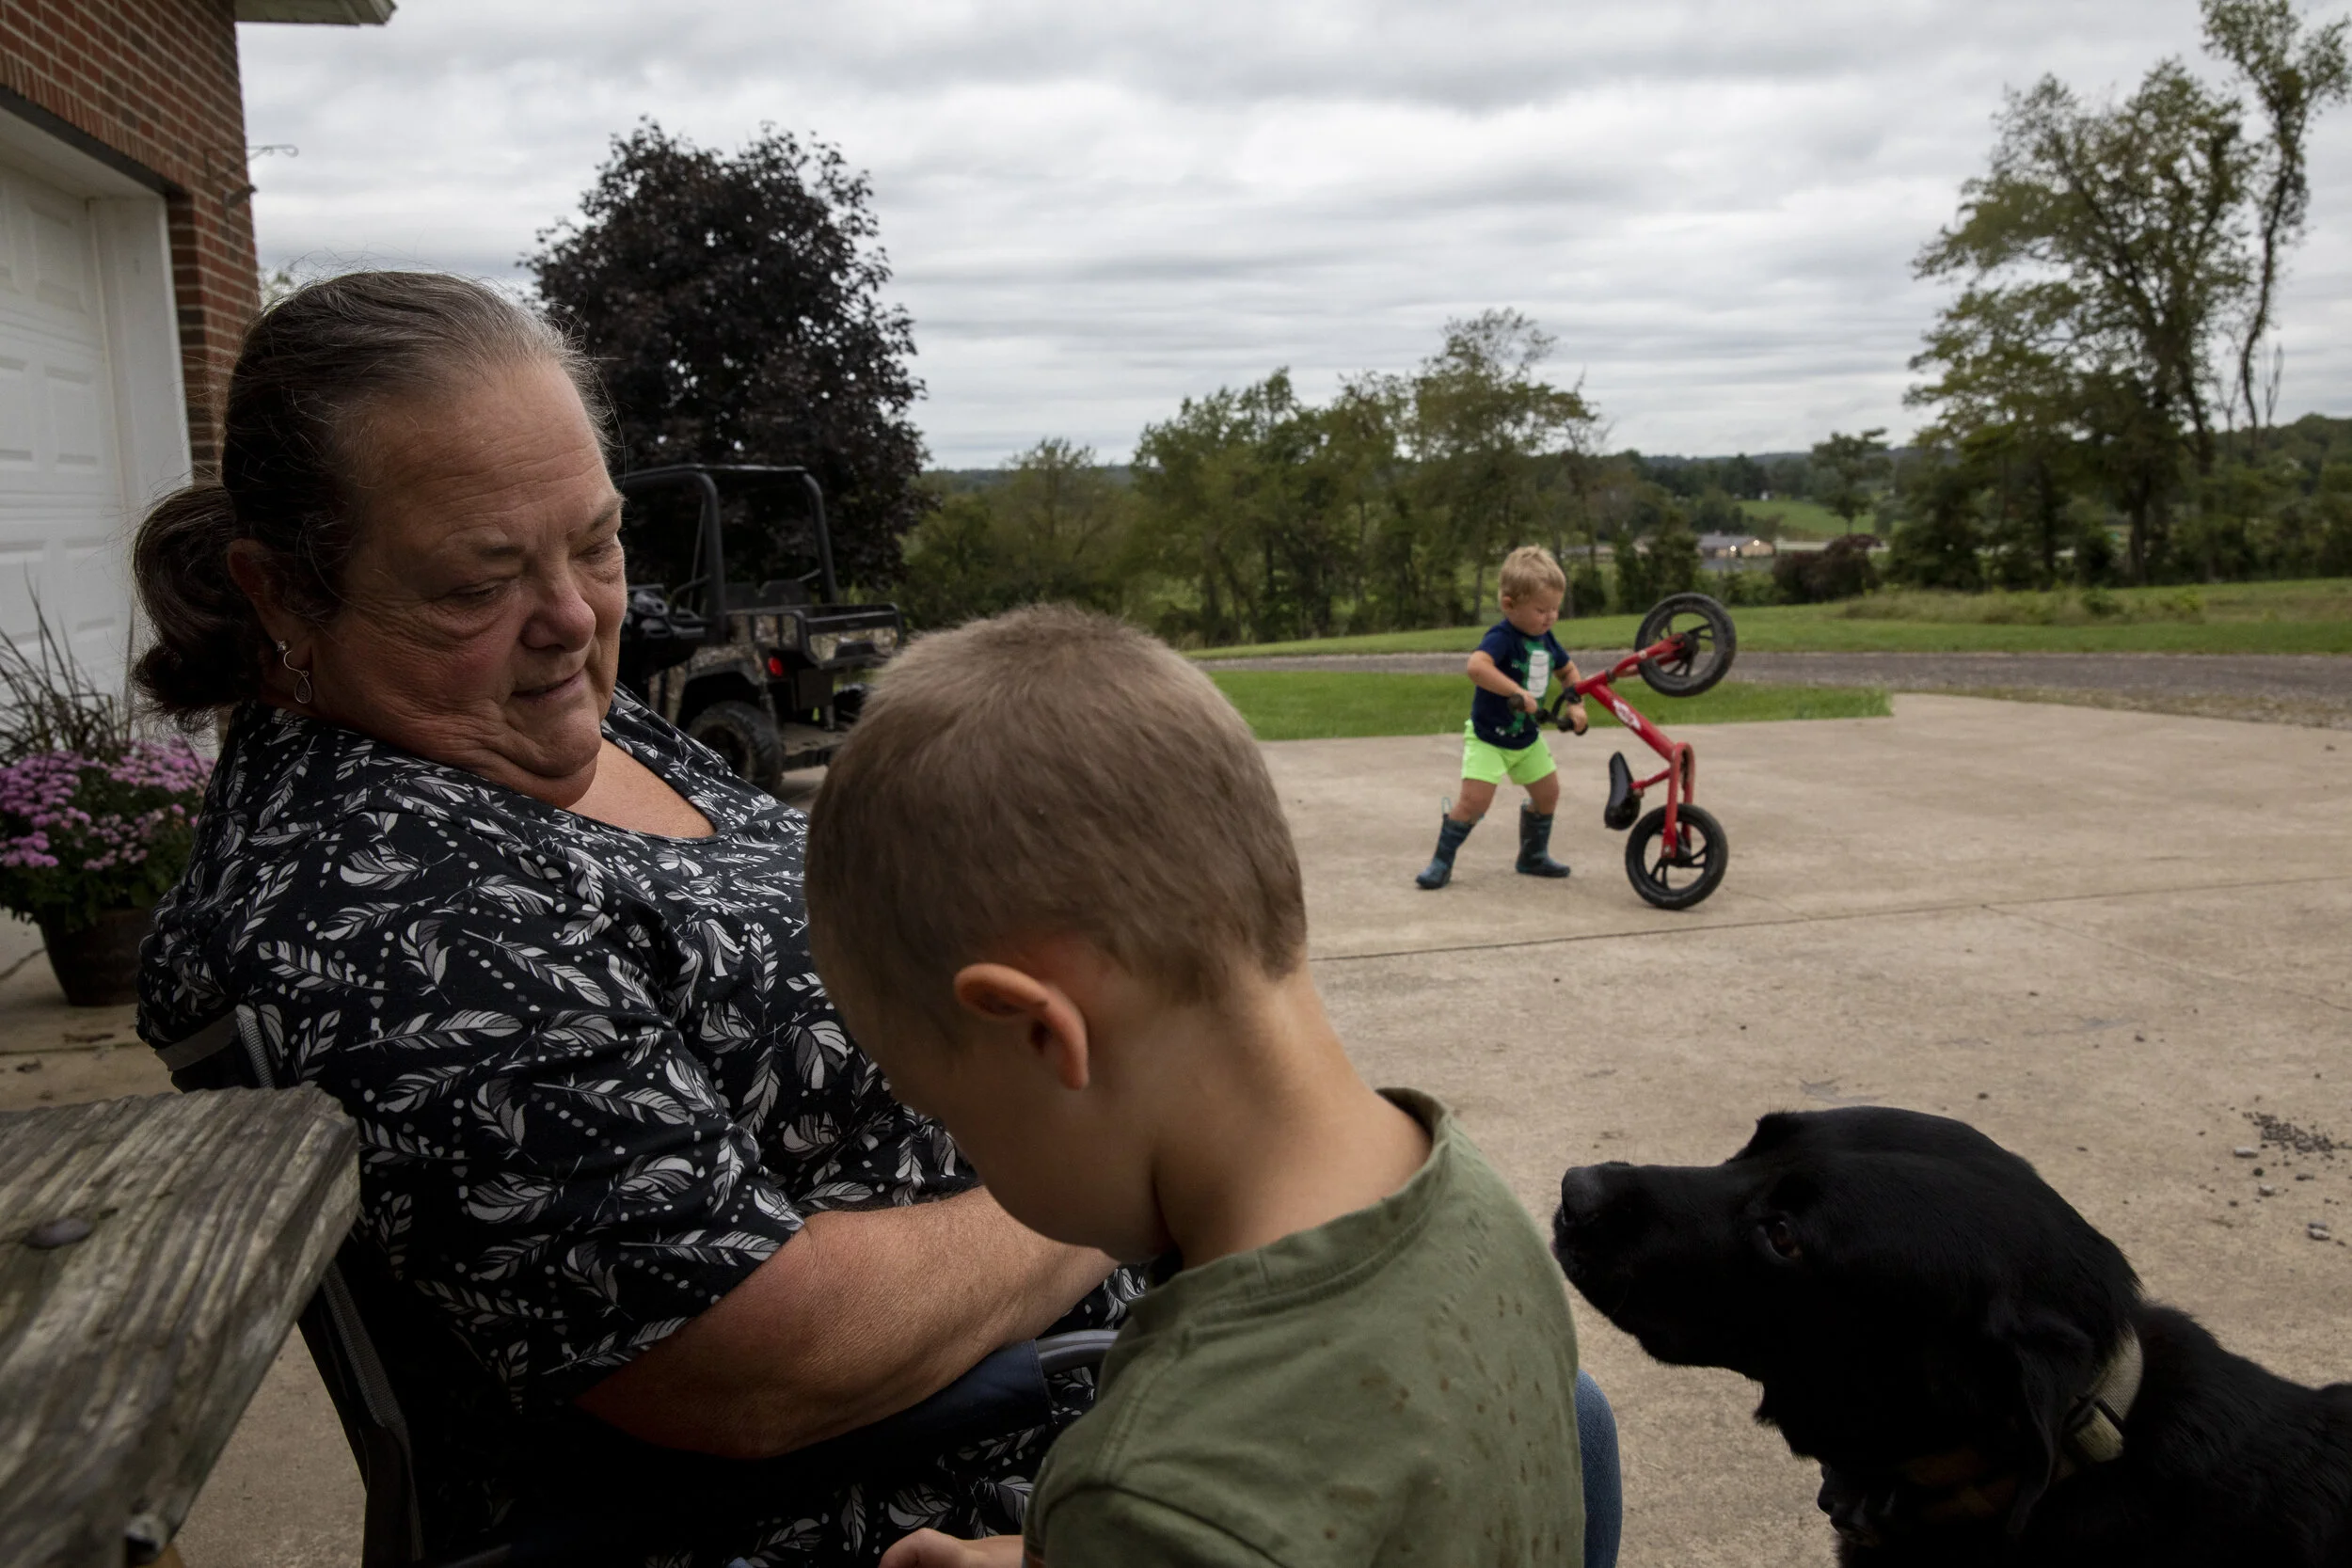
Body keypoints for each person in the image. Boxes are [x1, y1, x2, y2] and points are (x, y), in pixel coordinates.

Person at [131, 271, 1135, 1565]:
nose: (574, 618)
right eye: (475, 582)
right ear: (280, 593)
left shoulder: (543, 721)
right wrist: (1121, 1168)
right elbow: (761, 1360)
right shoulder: (374, 911)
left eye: (597, 542)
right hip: (929, 1499)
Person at [803, 606, 1596, 1568]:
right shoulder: (1474, 1204)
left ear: (1043, 1033)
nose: (969, 1154)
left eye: (949, 1116)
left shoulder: (1159, 1488)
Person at [1416, 545, 1589, 891]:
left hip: (1526, 739)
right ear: (1510, 605)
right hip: (1488, 739)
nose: (1550, 617)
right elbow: (1476, 667)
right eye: (1541, 610)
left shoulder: (1546, 639)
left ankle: (1532, 856)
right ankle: (1441, 862)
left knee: (1548, 794)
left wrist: (1576, 705)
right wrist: (1516, 692)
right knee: (1475, 803)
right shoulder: (1502, 638)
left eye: (1554, 609)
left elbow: (1568, 671)